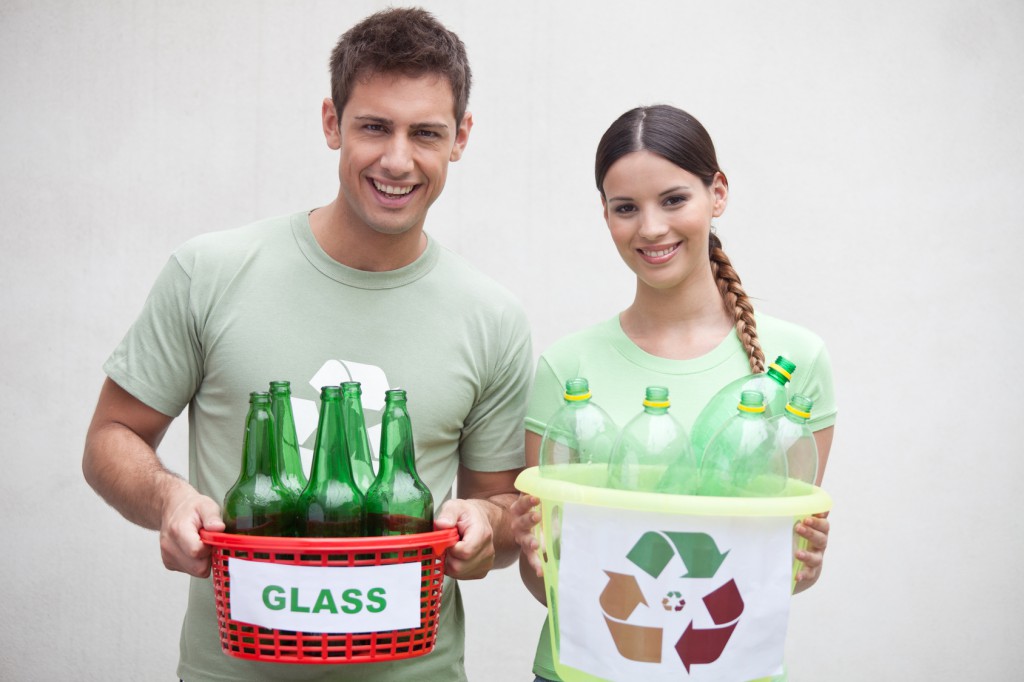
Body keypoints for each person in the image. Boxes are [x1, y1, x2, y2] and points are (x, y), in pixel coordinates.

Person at [82, 8, 532, 681]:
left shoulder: (492, 317)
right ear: (331, 123)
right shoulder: (210, 273)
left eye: (426, 133)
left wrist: (484, 527)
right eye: (374, 127)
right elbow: (111, 436)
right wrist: (170, 499)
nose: (398, 160)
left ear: (460, 137)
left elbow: (499, 509)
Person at [511, 105, 837, 682]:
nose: (651, 228)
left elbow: (770, 570)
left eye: (673, 199)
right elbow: (548, 583)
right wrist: (535, 554)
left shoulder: (795, 362)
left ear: (718, 193)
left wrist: (804, 565)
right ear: (605, 214)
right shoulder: (568, 367)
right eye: (626, 208)